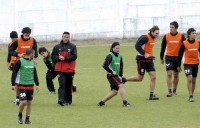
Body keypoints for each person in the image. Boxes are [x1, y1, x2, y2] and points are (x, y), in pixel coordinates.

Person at [122, 25, 160, 100]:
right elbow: (137, 46)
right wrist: (144, 53)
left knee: (153, 77)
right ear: (152, 32)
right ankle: (124, 80)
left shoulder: (154, 39)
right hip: (141, 60)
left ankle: (151, 95)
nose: (157, 35)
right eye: (156, 33)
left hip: (149, 60)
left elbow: (148, 48)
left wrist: (151, 56)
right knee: (140, 78)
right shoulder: (144, 37)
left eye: (158, 33)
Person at [97, 42, 131, 107]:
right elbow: (104, 65)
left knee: (114, 92)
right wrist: (111, 71)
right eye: (116, 48)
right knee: (121, 85)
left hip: (116, 76)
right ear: (113, 48)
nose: (118, 49)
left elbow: (121, 67)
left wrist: (121, 75)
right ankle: (125, 103)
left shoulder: (120, 56)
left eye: (119, 48)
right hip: (111, 76)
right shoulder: (110, 55)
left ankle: (101, 103)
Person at [11, 48, 39, 124]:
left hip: (30, 85)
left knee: (29, 103)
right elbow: (14, 73)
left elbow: (35, 74)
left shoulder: (33, 62)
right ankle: (20, 115)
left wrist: (37, 84)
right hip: (22, 85)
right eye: (33, 54)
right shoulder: (19, 61)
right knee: (23, 102)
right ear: (30, 54)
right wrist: (13, 84)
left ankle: (27, 119)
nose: (34, 55)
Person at [160, 21, 186, 97]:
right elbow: (163, 47)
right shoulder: (166, 36)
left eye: (172, 27)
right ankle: (169, 91)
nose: (171, 29)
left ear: (176, 28)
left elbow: (186, 45)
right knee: (169, 73)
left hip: (177, 58)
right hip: (168, 57)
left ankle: (174, 90)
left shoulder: (181, 36)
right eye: (170, 27)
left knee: (176, 74)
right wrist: (161, 57)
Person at [52, 32, 77, 106]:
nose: (65, 38)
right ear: (62, 37)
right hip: (60, 69)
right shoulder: (57, 47)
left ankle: (68, 100)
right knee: (62, 84)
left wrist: (65, 58)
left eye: (67, 37)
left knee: (68, 85)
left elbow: (74, 56)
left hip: (70, 69)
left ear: (69, 38)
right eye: (64, 36)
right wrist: (58, 58)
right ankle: (61, 99)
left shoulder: (72, 46)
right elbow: (53, 56)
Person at [177, 28, 199, 102]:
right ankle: (190, 95)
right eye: (193, 33)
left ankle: (191, 95)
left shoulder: (198, 42)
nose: (194, 34)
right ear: (189, 34)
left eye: (195, 33)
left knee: (194, 79)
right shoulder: (184, 43)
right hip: (187, 63)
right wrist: (178, 65)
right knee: (189, 78)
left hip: (195, 63)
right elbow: (180, 55)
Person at [7, 31, 20, 105]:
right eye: (12, 38)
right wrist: (8, 62)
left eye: (14, 38)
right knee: (16, 81)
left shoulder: (20, 43)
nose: (13, 40)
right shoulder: (10, 44)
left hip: (21, 63)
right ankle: (17, 98)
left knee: (20, 81)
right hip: (13, 63)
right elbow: (9, 54)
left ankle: (21, 97)